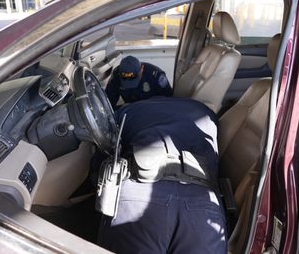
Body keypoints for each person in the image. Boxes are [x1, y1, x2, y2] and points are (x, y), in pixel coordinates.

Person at [97, 96, 227, 254]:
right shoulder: (206, 113)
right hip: (202, 201)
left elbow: (102, 156)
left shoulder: (126, 111)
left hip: (140, 190)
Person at [105, 55, 173, 108]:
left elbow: (169, 100)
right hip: (132, 110)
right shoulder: (116, 76)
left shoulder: (155, 75)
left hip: (154, 108)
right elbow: (108, 104)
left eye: (134, 79)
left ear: (142, 69)